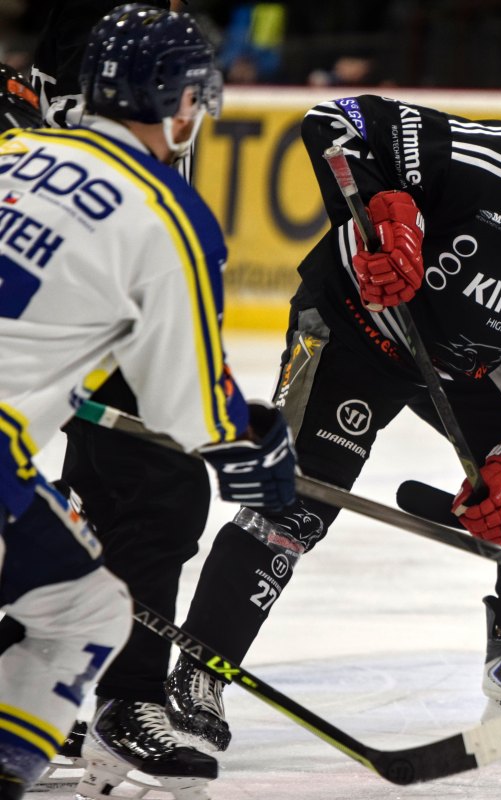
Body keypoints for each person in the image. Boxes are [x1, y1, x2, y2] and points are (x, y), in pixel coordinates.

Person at [161, 97, 501, 745]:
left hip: (461, 361)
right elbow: (334, 121)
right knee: (299, 502)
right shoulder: (482, 162)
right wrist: (384, 212)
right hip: (356, 328)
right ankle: (200, 668)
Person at [0, 5, 298, 798]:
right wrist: (251, 445)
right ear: (181, 103)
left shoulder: (11, 149)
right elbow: (187, 405)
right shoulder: (167, 212)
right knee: (87, 612)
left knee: (75, 581)